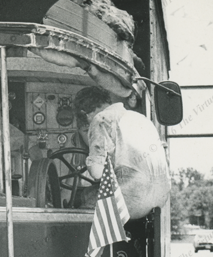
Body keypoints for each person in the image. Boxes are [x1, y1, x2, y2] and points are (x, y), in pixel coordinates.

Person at [73, 86, 171, 219]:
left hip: (132, 198)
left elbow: (97, 173)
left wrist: (89, 160)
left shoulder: (101, 119)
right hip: (160, 198)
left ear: (85, 113)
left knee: (78, 214)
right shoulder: (141, 118)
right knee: (90, 194)